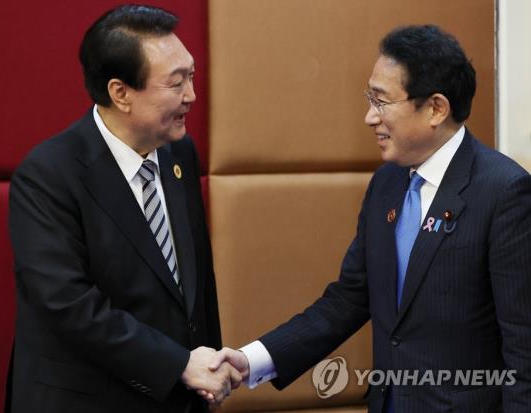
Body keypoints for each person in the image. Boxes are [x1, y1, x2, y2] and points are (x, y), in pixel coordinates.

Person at [208, 25, 531, 412]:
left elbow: (523, 344)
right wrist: (253, 360)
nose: (369, 117)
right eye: (369, 99)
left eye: (381, 102)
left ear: (435, 108)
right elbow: (348, 300)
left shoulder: (504, 192)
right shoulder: (387, 184)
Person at [6, 5, 240, 413]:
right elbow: (69, 305)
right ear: (120, 93)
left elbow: (195, 282)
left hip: (179, 396)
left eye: (192, 75)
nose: (192, 95)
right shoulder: (48, 175)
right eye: (176, 82)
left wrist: (208, 367)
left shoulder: (178, 151)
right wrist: (180, 364)